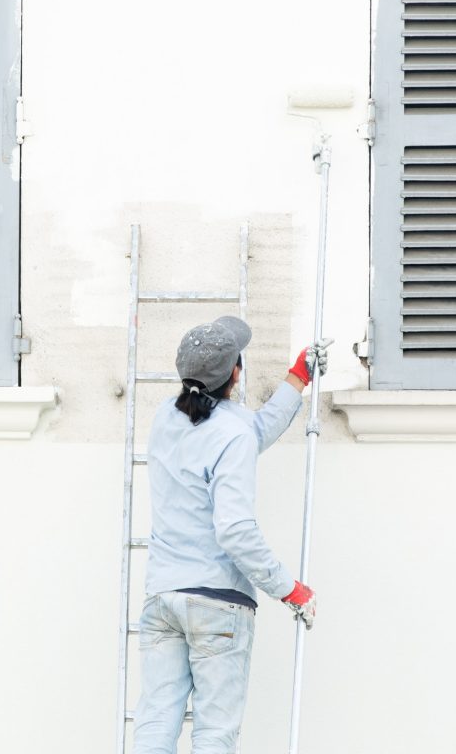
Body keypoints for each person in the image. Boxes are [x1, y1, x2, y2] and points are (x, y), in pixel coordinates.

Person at [133, 315, 324, 754]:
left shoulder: (165, 417)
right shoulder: (233, 432)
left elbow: (253, 430)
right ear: (235, 373)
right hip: (217, 604)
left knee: (155, 721)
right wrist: (289, 589)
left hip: (162, 598)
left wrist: (297, 379)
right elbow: (235, 529)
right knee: (214, 734)